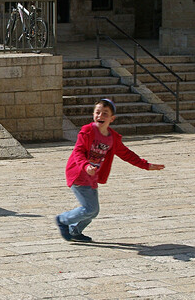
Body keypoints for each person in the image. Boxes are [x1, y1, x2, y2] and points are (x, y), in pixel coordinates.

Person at [56, 99, 165, 242]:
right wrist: (85, 166)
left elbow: (127, 154)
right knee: (90, 209)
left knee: (93, 211)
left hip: (92, 177)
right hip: (78, 174)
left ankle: (75, 231)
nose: (100, 116)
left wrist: (146, 165)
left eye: (105, 113)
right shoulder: (87, 131)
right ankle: (63, 220)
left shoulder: (113, 138)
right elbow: (78, 151)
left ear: (112, 119)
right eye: (97, 112)